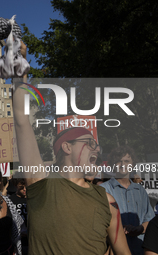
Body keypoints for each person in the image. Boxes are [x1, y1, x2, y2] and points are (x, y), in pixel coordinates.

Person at [12, 41, 130, 254]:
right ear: (66, 147)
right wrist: (20, 66)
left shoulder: (107, 200)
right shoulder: (42, 184)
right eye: (90, 143)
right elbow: (21, 119)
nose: (97, 149)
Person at [100, 146, 155, 255]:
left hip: (139, 249)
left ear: (133, 163)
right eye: (118, 161)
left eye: (126, 161)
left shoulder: (140, 190)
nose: (123, 164)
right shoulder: (103, 189)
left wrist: (139, 228)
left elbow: (149, 220)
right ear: (112, 165)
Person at [8, 178, 28, 254]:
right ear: (16, 186)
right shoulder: (10, 200)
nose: (25, 189)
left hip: (31, 241)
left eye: (26, 186)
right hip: (16, 242)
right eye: (21, 187)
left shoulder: (32, 199)